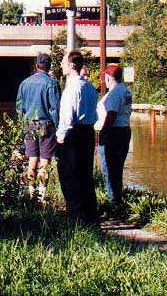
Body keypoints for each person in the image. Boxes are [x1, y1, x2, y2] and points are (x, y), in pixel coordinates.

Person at [56, 51, 98, 224]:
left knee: (69, 176)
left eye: (63, 62)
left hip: (73, 135)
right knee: (85, 175)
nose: (61, 65)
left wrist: (60, 137)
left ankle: (75, 217)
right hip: (88, 133)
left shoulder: (72, 88)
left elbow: (67, 117)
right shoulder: (89, 87)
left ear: (72, 65)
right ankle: (89, 216)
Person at [16, 53, 61, 203]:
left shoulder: (24, 83)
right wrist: (58, 127)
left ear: (36, 66)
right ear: (49, 67)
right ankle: (42, 196)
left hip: (29, 125)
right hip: (46, 125)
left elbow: (19, 107)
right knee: (45, 161)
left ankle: (31, 194)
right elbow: (54, 108)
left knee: (32, 160)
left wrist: (24, 124)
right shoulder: (52, 83)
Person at [97, 64, 133, 215]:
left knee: (108, 170)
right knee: (117, 170)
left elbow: (111, 114)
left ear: (107, 77)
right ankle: (118, 202)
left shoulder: (114, 93)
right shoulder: (125, 90)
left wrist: (103, 134)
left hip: (113, 133)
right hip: (124, 131)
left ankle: (113, 205)